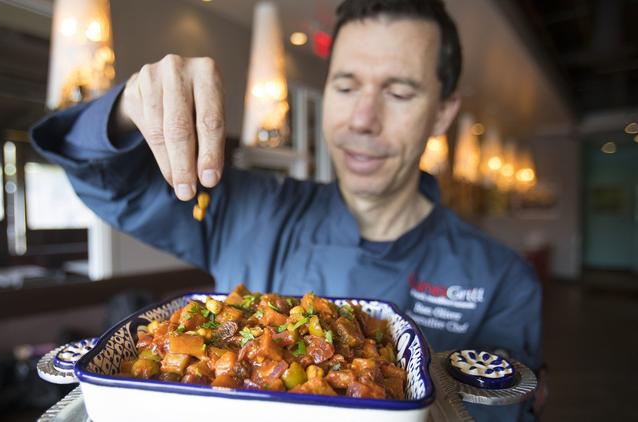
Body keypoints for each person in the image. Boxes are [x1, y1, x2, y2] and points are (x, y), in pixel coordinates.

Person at [31, 0, 541, 419]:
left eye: (399, 91)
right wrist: (122, 113)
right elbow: (110, 186)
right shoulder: (245, 205)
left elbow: (503, 412)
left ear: (442, 111)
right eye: (345, 86)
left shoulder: (502, 280)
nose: (363, 119)